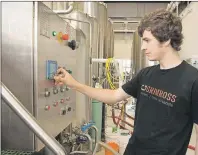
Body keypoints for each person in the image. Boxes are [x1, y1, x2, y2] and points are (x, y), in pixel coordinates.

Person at [54, 9, 198, 155]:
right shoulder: (145, 75)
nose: (142, 47)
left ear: (166, 40)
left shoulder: (193, 80)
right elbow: (113, 95)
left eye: (147, 40)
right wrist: (74, 84)